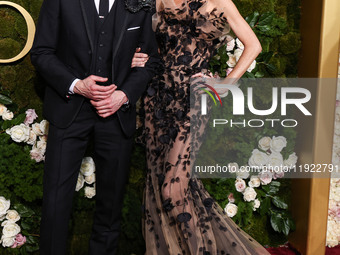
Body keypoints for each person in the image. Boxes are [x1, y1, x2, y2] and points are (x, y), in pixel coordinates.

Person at [135, 0, 271, 254]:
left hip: (194, 101)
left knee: (172, 190)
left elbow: (254, 45)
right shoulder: (158, 1)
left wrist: (224, 85)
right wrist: (135, 55)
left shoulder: (220, 2)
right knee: (162, 184)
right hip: (158, 100)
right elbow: (139, 40)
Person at [30, 0, 159, 254]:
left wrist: (122, 95)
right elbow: (41, 52)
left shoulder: (141, 3)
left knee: (110, 208)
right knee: (55, 204)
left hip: (116, 115)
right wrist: (77, 84)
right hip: (68, 112)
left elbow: (151, 61)